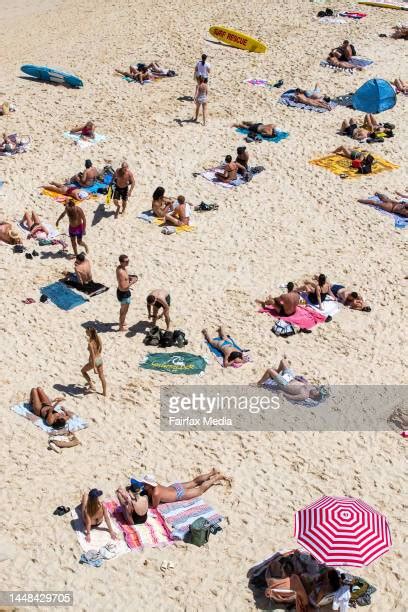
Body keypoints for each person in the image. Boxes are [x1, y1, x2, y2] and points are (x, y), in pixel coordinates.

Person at [139, 469, 230, 507]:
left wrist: (146, 502)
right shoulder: (155, 484)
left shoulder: (156, 493)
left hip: (178, 494)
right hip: (175, 487)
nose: (143, 484)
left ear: (149, 485)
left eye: (144, 483)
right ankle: (212, 473)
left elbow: (154, 506)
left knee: (199, 490)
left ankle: (216, 478)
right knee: (194, 482)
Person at [257, 358, 323, 402]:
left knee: (270, 370)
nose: (315, 390)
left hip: (285, 384)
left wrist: (282, 393)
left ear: (313, 397)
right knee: (283, 361)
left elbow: (291, 397)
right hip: (290, 378)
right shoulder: (310, 388)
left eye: (316, 392)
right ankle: (277, 372)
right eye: (317, 390)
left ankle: (259, 384)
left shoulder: (304, 396)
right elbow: (303, 381)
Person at [81, 327, 107, 396]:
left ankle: (91, 385)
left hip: (93, 361)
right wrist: (98, 354)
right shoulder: (98, 338)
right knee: (101, 376)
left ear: (89, 333)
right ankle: (104, 393)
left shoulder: (90, 343)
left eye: (86, 331)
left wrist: (94, 367)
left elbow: (92, 355)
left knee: (83, 371)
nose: (85, 332)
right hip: (99, 359)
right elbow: (100, 348)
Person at [116, 254, 137, 332]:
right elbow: (123, 287)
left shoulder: (121, 267)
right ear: (121, 262)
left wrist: (129, 278)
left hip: (121, 292)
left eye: (128, 260)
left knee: (123, 309)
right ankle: (121, 328)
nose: (128, 262)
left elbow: (124, 280)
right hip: (124, 294)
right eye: (126, 261)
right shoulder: (121, 272)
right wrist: (133, 282)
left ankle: (123, 322)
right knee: (123, 312)